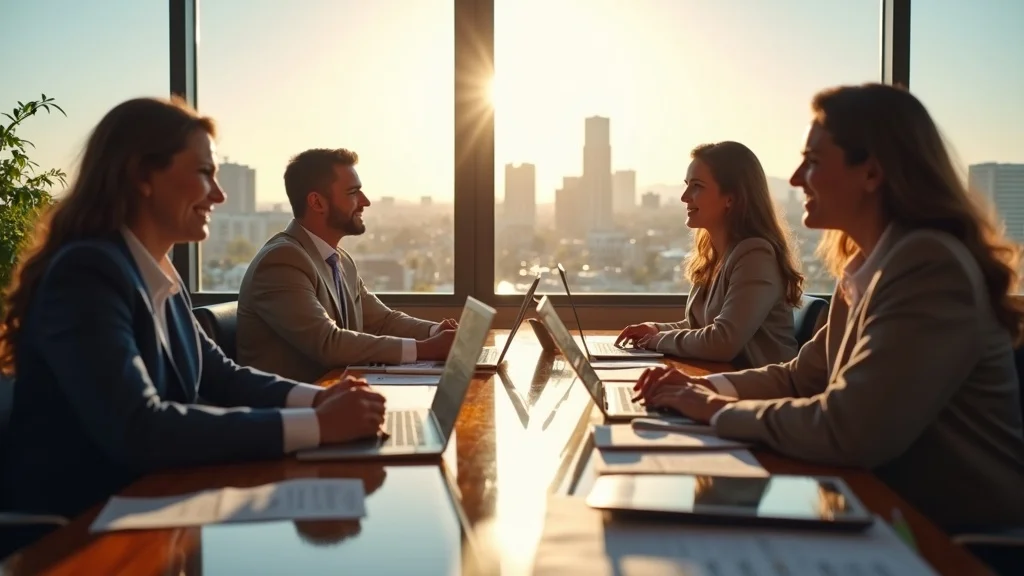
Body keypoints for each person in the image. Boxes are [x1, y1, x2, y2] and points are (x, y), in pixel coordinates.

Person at [633, 83, 1024, 531]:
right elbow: (802, 377)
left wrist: (714, 410)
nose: (796, 178)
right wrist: (706, 389)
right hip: (885, 509)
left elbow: (849, 429)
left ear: (872, 173)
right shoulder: (865, 265)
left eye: (813, 162)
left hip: (960, 541)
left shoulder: (930, 266)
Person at [0, 97, 387, 528]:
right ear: (143, 176)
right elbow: (139, 426)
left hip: (153, 504)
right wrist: (316, 425)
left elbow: (220, 374)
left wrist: (321, 399)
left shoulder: (155, 269)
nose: (219, 195)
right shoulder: (86, 273)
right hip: (76, 533)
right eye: (205, 174)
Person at [236, 148, 457, 383]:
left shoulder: (339, 260)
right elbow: (328, 343)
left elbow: (382, 321)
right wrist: (426, 349)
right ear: (317, 202)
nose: (365, 202)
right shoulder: (281, 261)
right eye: (353, 193)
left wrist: (436, 332)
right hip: (289, 412)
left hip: (334, 398)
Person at [616, 141, 803, 368]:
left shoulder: (756, 256)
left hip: (758, 393)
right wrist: (655, 329)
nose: (685, 196)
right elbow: (700, 329)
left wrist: (656, 341)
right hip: (723, 381)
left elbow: (722, 341)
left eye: (697, 186)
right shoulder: (714, 254)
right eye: (686, 185)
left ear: (731, 198)